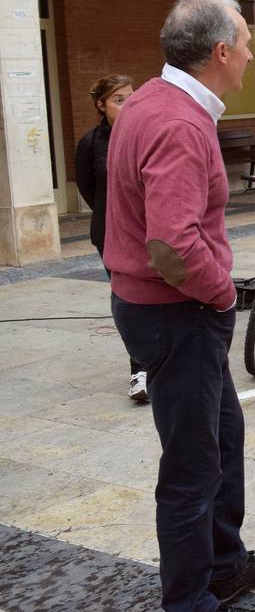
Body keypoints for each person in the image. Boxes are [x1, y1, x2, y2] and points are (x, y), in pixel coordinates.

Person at [105, 0, 255, 612]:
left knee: (222, 436)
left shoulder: (155, 102)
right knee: (191, 465)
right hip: (177, 313)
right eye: (245, 41)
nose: (251, 53)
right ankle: (189, 603)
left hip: (162, 310)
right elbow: (172, 244)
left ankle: (224, 562)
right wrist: (220, 295)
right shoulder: (181, 122)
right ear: (218, 52)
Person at [76, 73, 145, 402]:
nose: (128, 104)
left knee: (155, 300)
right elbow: (88, 190)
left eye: (132, 97)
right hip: (109, 233)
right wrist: (111, 216)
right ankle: (139, 370)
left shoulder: (144, 135)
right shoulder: (90, 143)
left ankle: (160, 363)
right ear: (101, 105)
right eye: (120, 99)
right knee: (127, 301)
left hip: (148, 231)